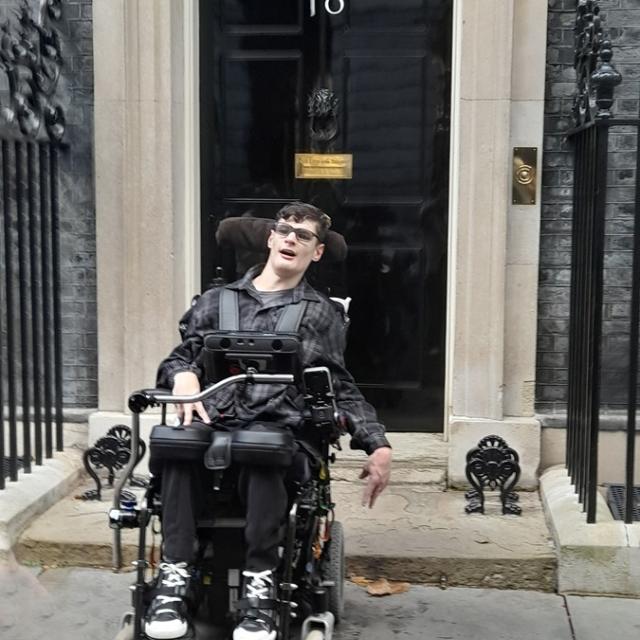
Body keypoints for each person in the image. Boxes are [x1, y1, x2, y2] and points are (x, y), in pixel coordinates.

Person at [146, 202, 392, 640]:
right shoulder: (215, 301)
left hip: (278, 427)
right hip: (212, 416)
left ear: (316, 253)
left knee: (261, 444)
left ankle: (260, 586)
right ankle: (174, 576)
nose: (291, 237)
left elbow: (338, 383)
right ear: (270, 239)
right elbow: (180, 356)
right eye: (284, 230)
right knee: (179, 442)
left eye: (304, 235)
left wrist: (378, 444)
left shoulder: (319, 313)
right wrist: (182, 375)